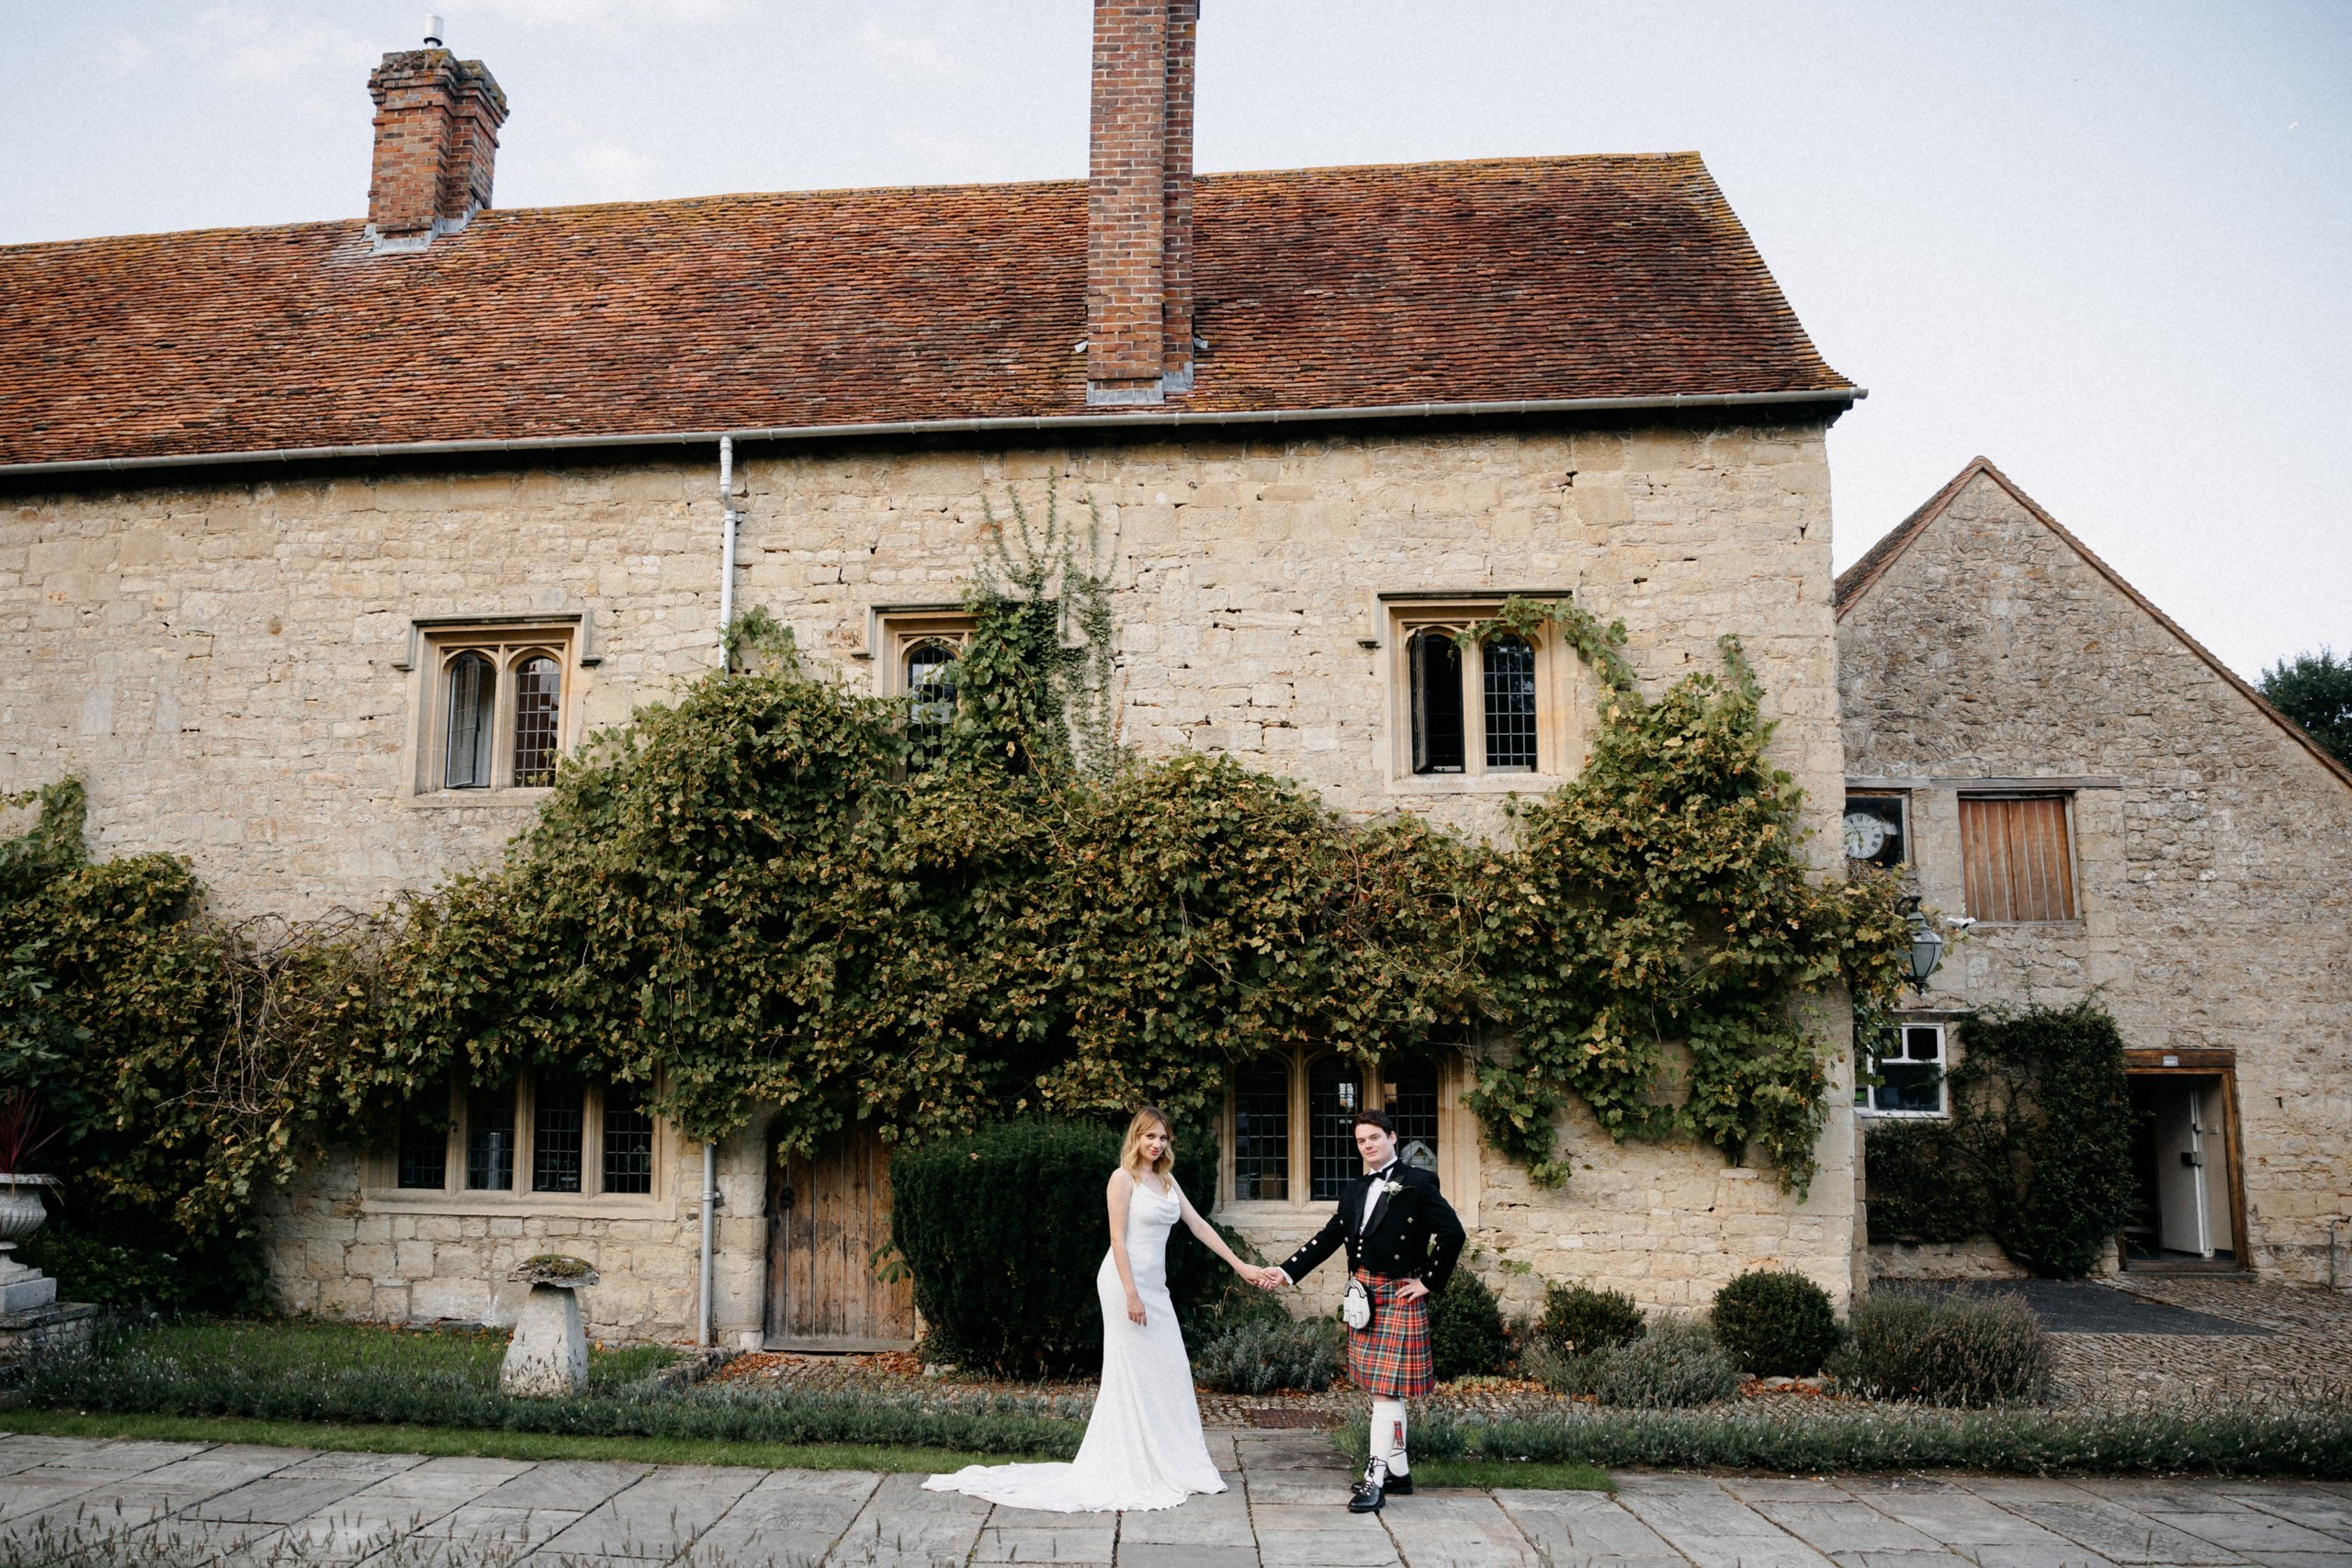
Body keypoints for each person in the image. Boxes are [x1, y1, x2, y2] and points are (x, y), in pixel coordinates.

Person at [924, 1106, 1281, 1513]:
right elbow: (1117, 1238)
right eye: (1150, 1137)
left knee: (1170, 1369)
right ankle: (1131, 1463)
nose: (1157, 1144)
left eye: (1163, 1138)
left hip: (1155, 1288)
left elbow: (1198, 1225)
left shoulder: (1166, 1179)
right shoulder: (1122, 1179)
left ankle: (1176, 1465)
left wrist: (1242, 1266)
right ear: (1136, 1138)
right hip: (1122, 1283)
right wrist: (1131, 1294)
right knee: (1132, 1372)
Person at [1267, 1106, 1464, 1513]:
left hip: (1397, 1293)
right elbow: (1328, 1238)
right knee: (1383, 1393)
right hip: (1365, 1295)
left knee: (1384, 1392)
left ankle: (1375, 1478)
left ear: (1392, 1138)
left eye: (1374, 1137)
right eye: (1361, 1140)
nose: (1368, 1145)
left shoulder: (1419, 1182)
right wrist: (1285, 1272)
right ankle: (1400, 1472)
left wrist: (1427, 1280)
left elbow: (1453, 1233)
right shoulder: (1355, 1189)